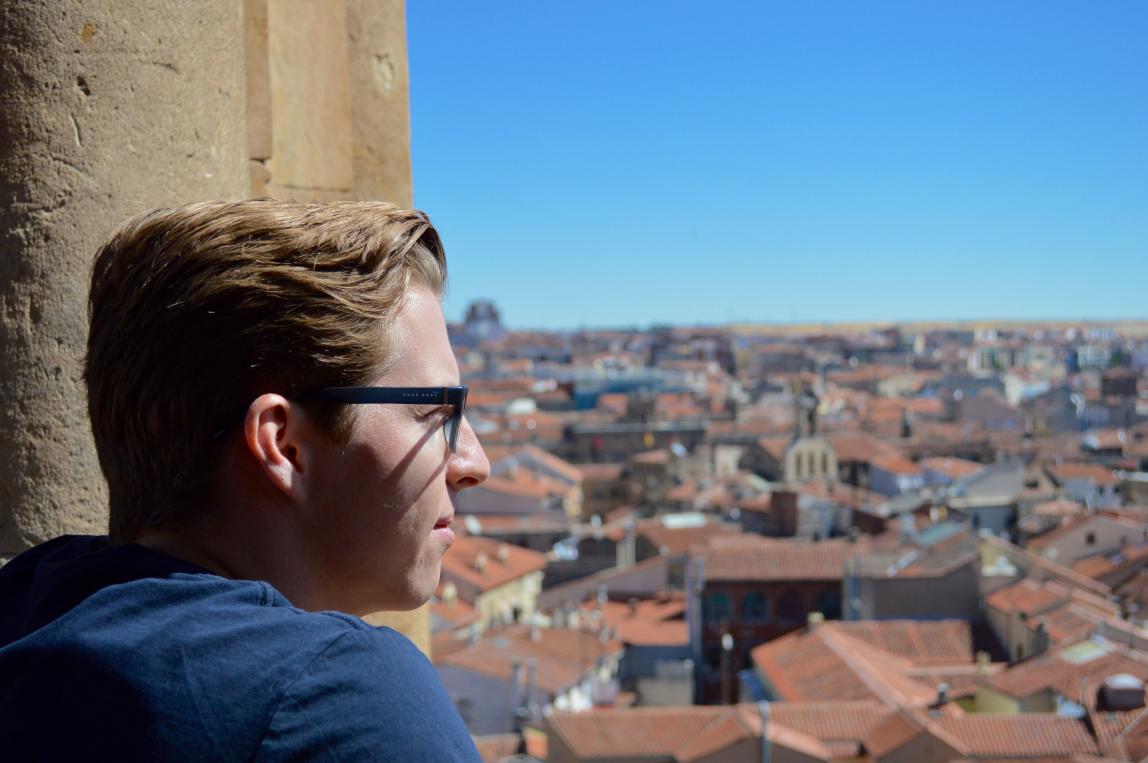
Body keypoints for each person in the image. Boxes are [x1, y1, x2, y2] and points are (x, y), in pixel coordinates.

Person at [0, 200, 490, 760]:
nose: (474, 462)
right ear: (282, 445)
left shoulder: (26, 608)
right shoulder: (338, 702)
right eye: (437, 413)